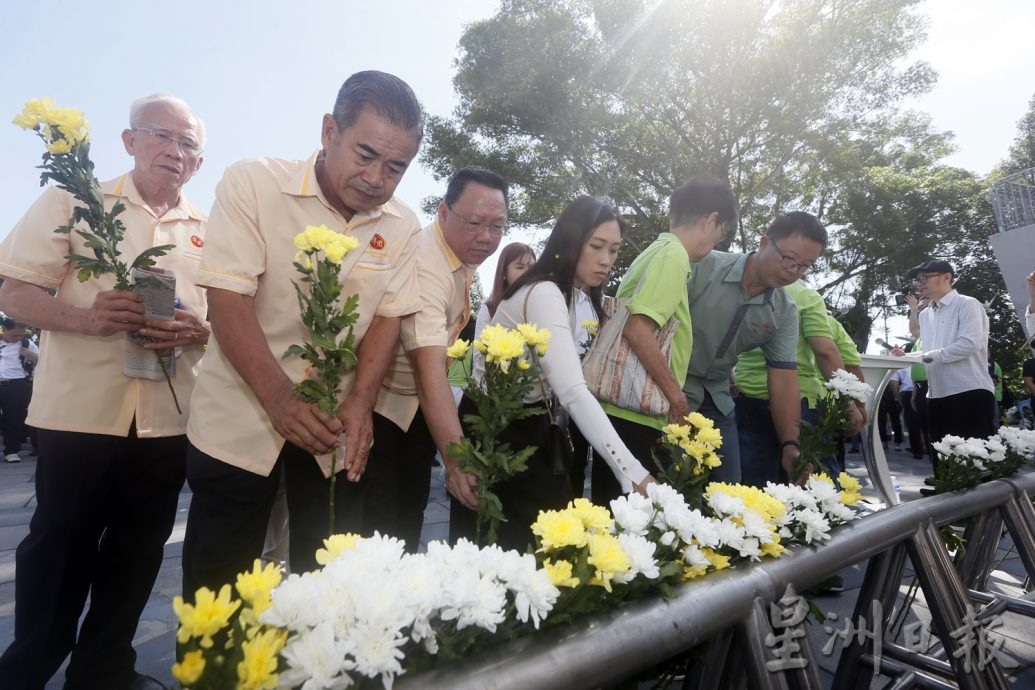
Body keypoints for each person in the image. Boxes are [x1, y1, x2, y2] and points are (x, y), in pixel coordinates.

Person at [182, 71, 424, 595]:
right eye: (365, 154)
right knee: (220, 590)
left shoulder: (403, 227)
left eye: (396, 167)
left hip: (332, 430)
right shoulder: (254, 183)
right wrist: (277, 397)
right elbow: (228, 299)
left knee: (329, 581)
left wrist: (360, 402)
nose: (377, 178)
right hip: (240, 418)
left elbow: (388, 317)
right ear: (329, 130)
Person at [0, 94, 209, 690]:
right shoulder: (75, 200)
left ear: (199, 160)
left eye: (189, 143)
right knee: (59, 544)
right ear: (129, 141)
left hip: (167, 420)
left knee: (140, 549)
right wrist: (90, 317)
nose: (175, 151)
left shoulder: (207, 232)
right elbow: (14, 293)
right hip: (78, 414)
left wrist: (201, 331)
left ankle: (104, 669)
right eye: (161, 136)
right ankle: (27, 668)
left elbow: (219, 321)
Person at [449, 196, 654, 551]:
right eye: (596, 247)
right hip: (495, 425)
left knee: (549, 539)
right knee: (501, 546)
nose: (606, 260)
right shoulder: (543, 291)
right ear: (570, 242)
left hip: (534, 422)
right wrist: (632, 471)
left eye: (614, 250)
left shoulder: (578, 296)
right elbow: (573, 390)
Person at [363, 166, 508, 551]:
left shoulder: (458, 261)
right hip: (383, 413)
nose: (486, 237)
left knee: (406, 519)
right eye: (474, 222)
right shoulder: (428, 263)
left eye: (498, 226)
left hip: (413, 413)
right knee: (380, 533)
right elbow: (428, 367)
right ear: (443, 213)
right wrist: (457, 461)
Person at [595, 176, 737, 504]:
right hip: (636, 411)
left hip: (623, 409)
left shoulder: (657, 250)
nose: (717, 242)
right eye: (721, 233)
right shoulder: (673, 256)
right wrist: (678, 399)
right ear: (712, 220)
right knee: (632, 521)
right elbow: (638, 329)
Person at [683, 212, 824, 484]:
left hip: (716, 399)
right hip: (664, 388)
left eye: (804, 266)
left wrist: (790, 445)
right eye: (788, 259)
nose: (793, 271)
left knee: (728, 490)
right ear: (764, 242)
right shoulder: (702, 267)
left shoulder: (784, 311)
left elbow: (783, 379)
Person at [735, 276, 865, 486]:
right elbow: (825, 351)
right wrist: (848, 401)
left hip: (748, 397)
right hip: (799, 400)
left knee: (757, 485)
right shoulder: (805, 296)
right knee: (815, 485)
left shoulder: (747, 291)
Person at [897, 260, 995, 476]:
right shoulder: (925, 315)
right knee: (944, 464)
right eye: (917, 279)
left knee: (976, 465)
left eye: (925, 278)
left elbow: (969, 344)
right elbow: (930, 351)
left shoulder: (967, 304)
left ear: (947, 277)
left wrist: (925, 356)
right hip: (937, 395)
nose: (919, 284)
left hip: (969, 392)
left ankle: (980, 510)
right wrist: (906, 356)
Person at [0, 318, 38, 463]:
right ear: (5, 330)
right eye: (14, 335)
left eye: (21, 335)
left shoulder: (27, 344)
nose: (18, 338)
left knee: (14, 418)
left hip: (17, 384)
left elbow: (43, 361)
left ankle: (12, 451)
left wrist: (31, 355)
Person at [475, 241, 536, 332]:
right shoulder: (490, 310)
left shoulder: (543, 302)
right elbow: (481, 345)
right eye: (520, 267)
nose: (527, 273)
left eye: (532, 268)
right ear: (504, 272)